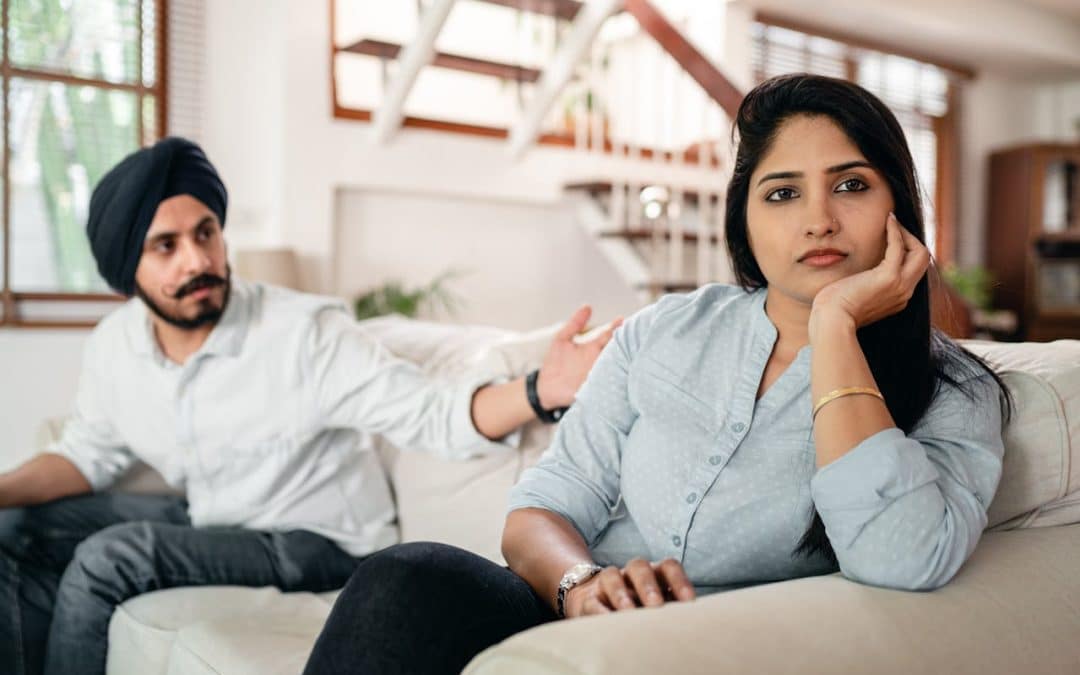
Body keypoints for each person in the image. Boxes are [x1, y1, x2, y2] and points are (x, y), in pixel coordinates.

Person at [301, 73, 1014, 675]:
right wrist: (582, 584)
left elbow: (905, 556)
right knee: (405, 577)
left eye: (850, 184)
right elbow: (539, 511)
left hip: (712, 649)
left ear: (898, 207)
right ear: (746, 218)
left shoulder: (954, 390)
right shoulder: (664, 330)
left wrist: (835, 328)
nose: (818, 219)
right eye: (782, 193)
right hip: (573, 617)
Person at [0, 137, 618, 675]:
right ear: (126, 270)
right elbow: (87, 453)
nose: (198, 260)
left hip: (319, 540)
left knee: (109, 558)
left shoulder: (302, 334)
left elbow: (431, 412)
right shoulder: (117, 347)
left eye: (206, 233)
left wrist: (541, 388)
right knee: (11, 528)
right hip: (216, 516)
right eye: (166, 246)